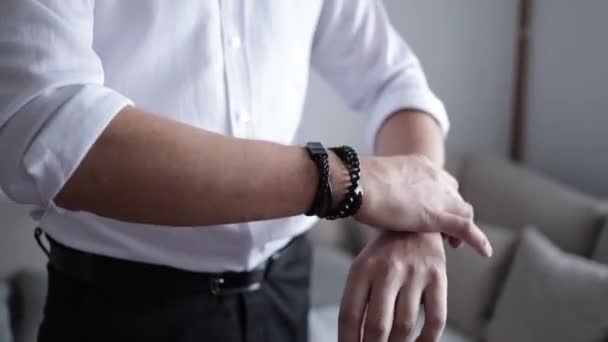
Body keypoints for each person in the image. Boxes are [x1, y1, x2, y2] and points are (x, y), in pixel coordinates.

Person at [0, 1, 493, 342]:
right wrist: (343, 179)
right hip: (122, 308)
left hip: (283, 292)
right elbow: (46, 126)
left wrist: (416, 217)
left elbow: (395, 80)